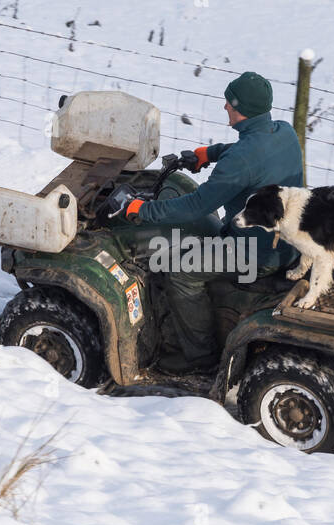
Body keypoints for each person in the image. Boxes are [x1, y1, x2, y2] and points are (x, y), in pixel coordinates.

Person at [119, 71, 303, 373]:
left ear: (239, 107)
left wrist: (142, 210)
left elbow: (197, 205)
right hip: (287, 242)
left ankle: (200, 359)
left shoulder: (240, 161)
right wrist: (211, 153)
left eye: (229, 104)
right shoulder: (284, 132)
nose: (225, 108)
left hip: (256, 254)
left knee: (180, 272)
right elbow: (250, 149)